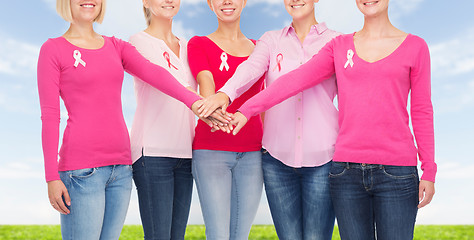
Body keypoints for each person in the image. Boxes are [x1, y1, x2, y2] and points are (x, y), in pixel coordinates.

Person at [228, 0, 436, 239]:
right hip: (346, 173)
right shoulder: (339, 46)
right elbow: (295, 80)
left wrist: (429, 170)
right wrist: (247, 110)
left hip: (398, 172)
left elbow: (422, 110)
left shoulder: (415, 47)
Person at [37, 0, 202, 239]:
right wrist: (51, 176)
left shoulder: (116, 46)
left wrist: (193, 101)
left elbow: (155, 74)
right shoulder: (53, 49)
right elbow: (50, 115)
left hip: (121, 170)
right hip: (81, 171)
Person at [197, 0, 340, 239]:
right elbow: (250, 68)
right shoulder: (271, 40)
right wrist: (225, 93)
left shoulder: (337, 42)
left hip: (324, 158)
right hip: (277, 161)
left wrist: (247, 109)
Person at [186, 0, 265, 238]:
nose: (227, 2)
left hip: (253, 153)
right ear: (210, 4)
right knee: (219, 234)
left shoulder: (260, 48)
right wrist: (213, 106)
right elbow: (206, 83)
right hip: (211, 152)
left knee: (241, 235)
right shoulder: (199, 43)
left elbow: (264, 102)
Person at [128, 0, 197, 239]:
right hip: (152, 154)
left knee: (177, 235)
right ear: (146, 2)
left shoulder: (189, 47)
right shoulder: (138, 42)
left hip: (186, 154)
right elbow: (167, 81)